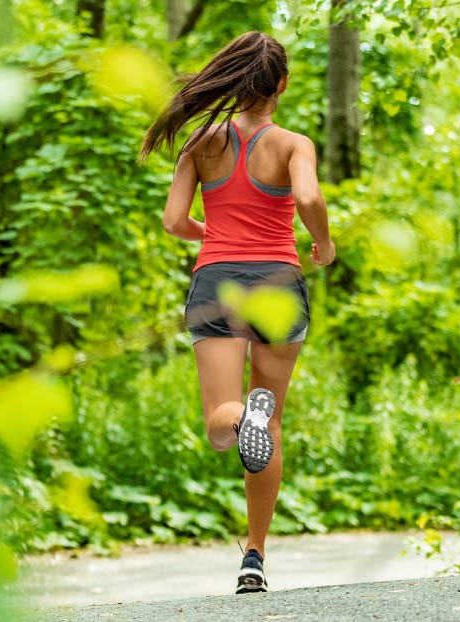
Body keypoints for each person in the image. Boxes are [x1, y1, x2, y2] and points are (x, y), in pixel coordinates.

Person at [139, 31, 335, 594]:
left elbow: (174, 221)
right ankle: (255, 554)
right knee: (270, 423)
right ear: (282, 86)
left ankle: (238, 417)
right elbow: (309, 200)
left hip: (217, 283)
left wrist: (216, 235)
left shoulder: (200, 142)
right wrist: (323, 244)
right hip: (278, 282)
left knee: (222, 422)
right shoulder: (294, 144)